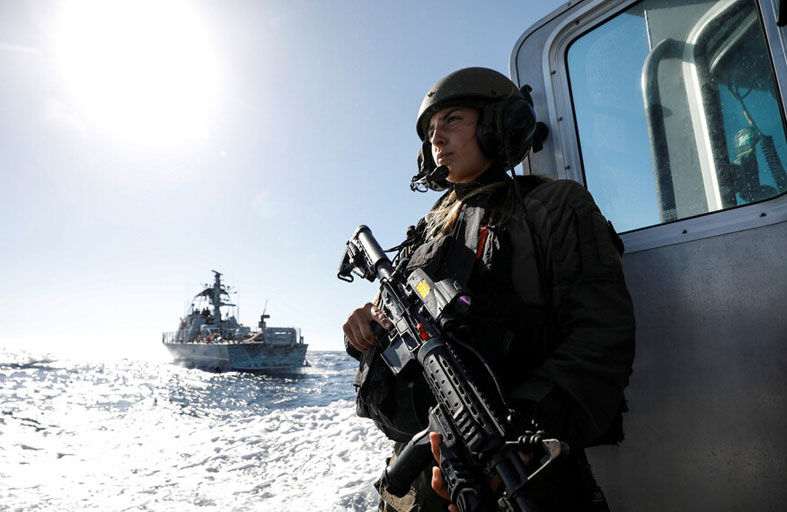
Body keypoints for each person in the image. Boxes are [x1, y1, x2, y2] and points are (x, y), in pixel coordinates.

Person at [343, 67, 635, 511]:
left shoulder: (553, 206)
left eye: (452, 120)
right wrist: (366, 325)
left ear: (501, 124)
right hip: (420, 477)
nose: (436, 139)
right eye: (430, 131)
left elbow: (601, 337)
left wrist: (524, 433)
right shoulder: (426, 229)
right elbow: (401, 327)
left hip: (519, 467)